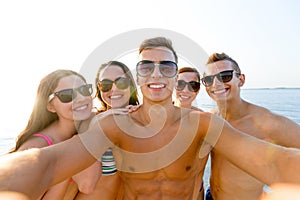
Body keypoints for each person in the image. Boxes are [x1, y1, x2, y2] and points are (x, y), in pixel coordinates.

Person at [1, 37, 300, 199]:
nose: (157, 74)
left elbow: (271, 161)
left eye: (167, 67)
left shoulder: (204, 124)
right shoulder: (112, 125)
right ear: (138, 77)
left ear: (176, 76)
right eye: (147, 67)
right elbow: (47, 162)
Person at [201, 53, 300, 200]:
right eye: (209, 79)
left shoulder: (268, 122)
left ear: (241, 80)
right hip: (211, 196)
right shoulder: (211, 119)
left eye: (225, 76)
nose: (216, 84)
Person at [9, 69, 94, 199]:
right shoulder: (37, 147)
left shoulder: (84, 131)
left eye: (84, 90)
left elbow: (87, 183)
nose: (81, 99)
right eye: (67, 95)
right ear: (50, 106)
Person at [74, 60, 139, 199]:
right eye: (106, 84)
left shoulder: (142, 121)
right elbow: (85, 183)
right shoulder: (89, 121)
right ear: (99, 88)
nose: (114, 89)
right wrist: (98, 123)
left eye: (120, 82)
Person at [174, 67, 206, 199]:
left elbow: (199, 172)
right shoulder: (156, 116)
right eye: (180, 84)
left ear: (198, 90)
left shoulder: (203, 122)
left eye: (193, 85)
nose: (186, 90)